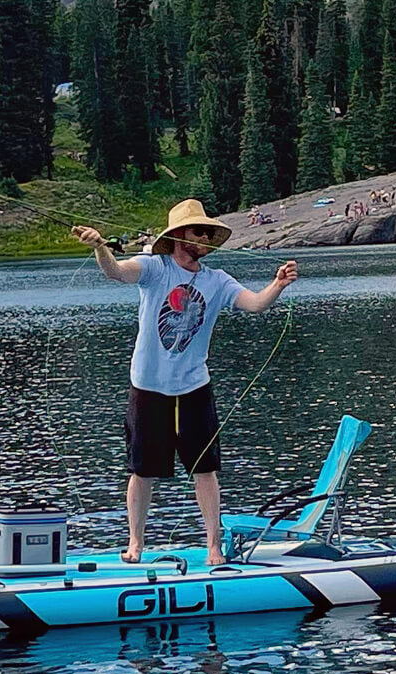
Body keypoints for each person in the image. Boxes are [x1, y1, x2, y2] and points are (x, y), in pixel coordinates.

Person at [71, 199, 299, 567]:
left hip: (194, 387)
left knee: (205, 470)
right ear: (179, 236)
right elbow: (116, 272)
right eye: (199, 232)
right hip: (148, 387)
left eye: (209, 233)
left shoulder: (217, 280)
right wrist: (100, 247)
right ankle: (135, 544)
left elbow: (255, 304)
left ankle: (213, 547)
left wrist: (278, 285)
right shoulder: (154, 269)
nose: (205, 238)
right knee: (142, 471)